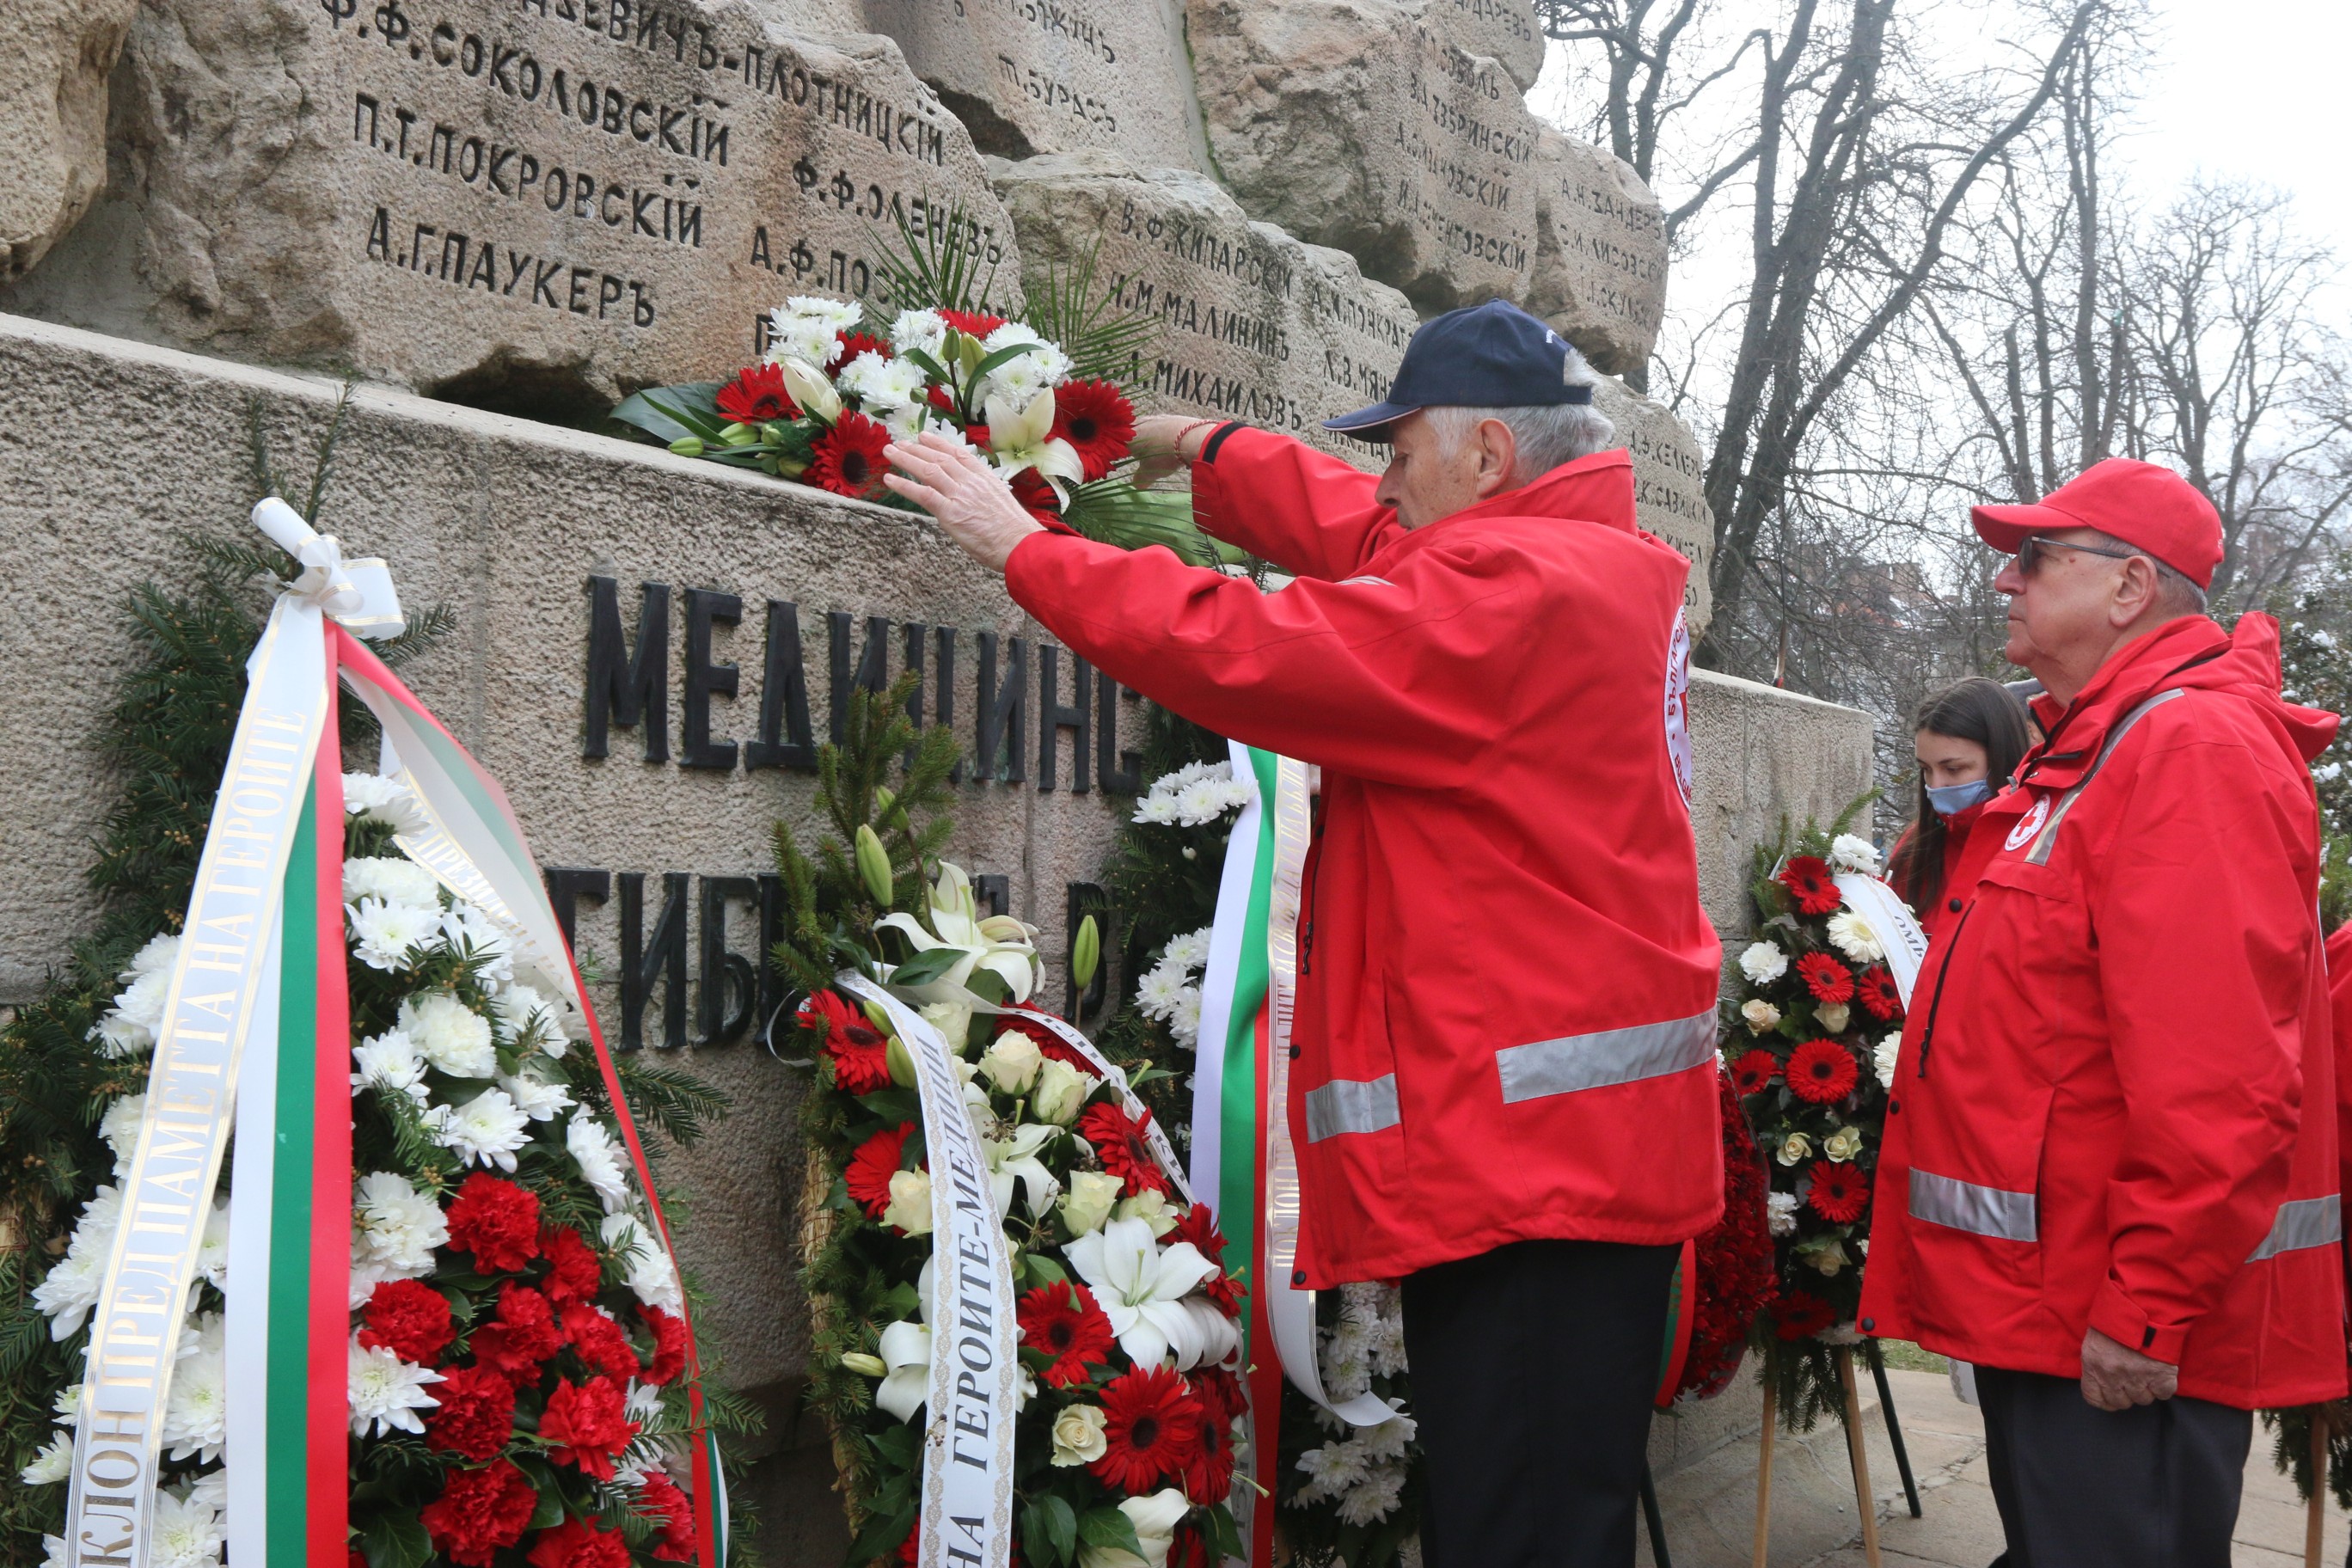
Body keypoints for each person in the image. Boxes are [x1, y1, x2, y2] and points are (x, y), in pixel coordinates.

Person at [883, 299, 1724, 1567]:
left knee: (1524, 1531)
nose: (1381, 479)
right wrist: (1199, 446)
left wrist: (1027, 548)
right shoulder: (1587, 556)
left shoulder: (1519, 592)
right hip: (1566, 1161)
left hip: (1540, 1181)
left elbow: (1251, 647)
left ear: (1489, 454)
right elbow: (1374, 530)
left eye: (1401, 448)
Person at [1858, 457, 2348, 1568]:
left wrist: (2146, 1308)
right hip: (2058, 1313)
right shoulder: (2101, 747)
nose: (2006, 579)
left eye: (2036, 558)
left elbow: (2221, 1079)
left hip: (2116, 1334)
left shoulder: (2188, 749)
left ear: (2130, 587)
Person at [1885, 677, 2031, 943]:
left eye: (1954, 769)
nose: (1935, 785)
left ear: (2001, 757)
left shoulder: (2039, 846)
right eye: (1925, 769)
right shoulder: (1915, 846)